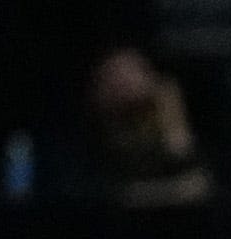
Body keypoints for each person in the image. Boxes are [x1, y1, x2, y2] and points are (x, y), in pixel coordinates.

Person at [78, 47, 213, 207]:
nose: (123, 83)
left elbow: (189, 169)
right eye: (113, 77)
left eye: (129, 73)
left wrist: (170, 115)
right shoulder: (95, 132)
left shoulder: (169, 106)